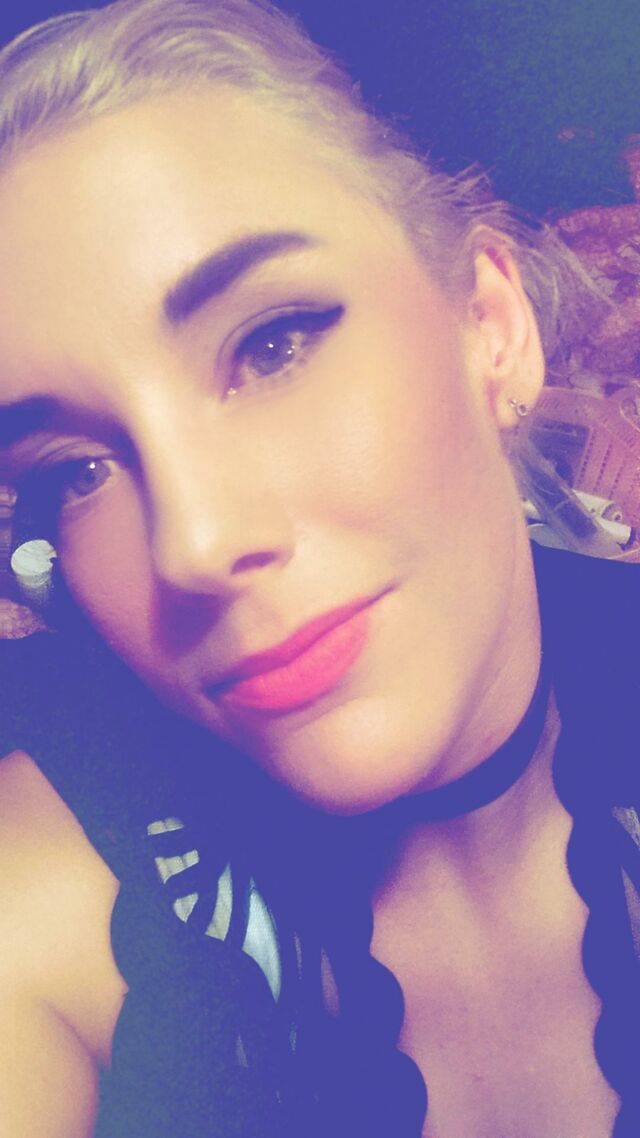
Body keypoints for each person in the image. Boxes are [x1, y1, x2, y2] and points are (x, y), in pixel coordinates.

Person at [0, 1, 638, 1135]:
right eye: (77, 471)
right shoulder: (54, 893)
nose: (194, 545)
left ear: (490, 326)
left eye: (273, 344)